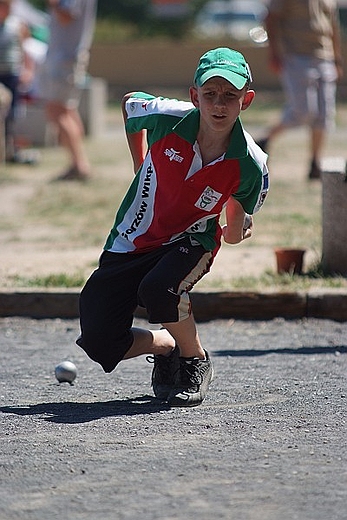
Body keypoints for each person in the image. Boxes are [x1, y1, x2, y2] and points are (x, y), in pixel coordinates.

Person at [77, 47, 269, 407]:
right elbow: (130, 104)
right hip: (133, 237)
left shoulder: (252, 163)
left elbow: (238, 219)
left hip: (192, 239)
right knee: (98, 340)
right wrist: (140, 161)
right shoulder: (168, 116)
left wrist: (236, 227)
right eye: (210, 94)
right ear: (195, 95)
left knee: (160, 289)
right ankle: (167, 347)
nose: (219, 105)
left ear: (247, 100)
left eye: (230, 96)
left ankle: (194, 358)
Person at [258, 0, 343, 180]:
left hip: (325, 57)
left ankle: (315, 163)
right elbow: (270, 18)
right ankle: (265, 138)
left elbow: (333, 26)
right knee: (303, 112)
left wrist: (337, 59)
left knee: (324, 115)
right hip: (297, 56)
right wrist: (274, 53)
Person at [39, 0, 97, 181]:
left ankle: (79, 165)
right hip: (66, 59)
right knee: (67, 111)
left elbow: (66, 16)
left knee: (57, 110)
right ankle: (78, 163)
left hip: (64, 60)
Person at [0, 0, 34, 162]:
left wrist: (27, 70)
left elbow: (25, 49)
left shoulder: (17, 25)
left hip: (11, 74)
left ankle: (10, 148)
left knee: (12, 113)